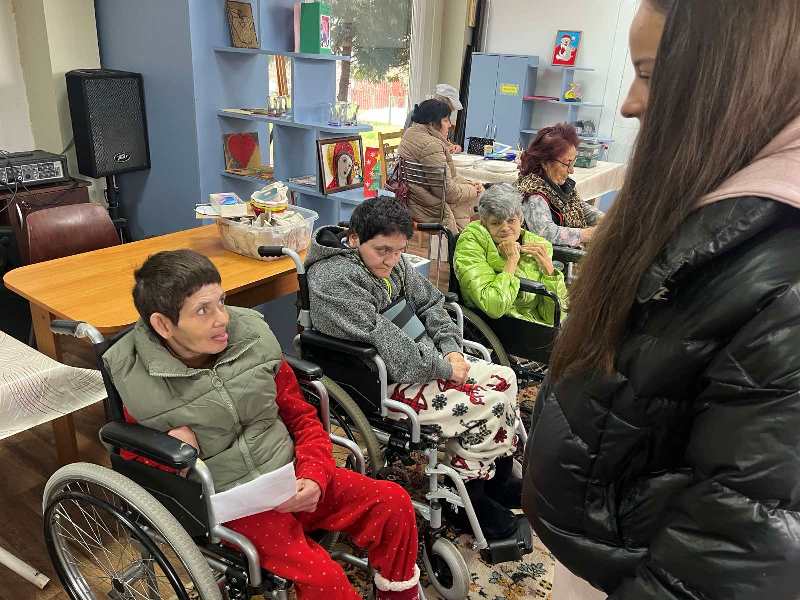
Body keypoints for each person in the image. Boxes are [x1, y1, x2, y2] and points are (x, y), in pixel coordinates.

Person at [523, 1, 800, 599]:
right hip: (616, 549)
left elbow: (736, 544)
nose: (628, 103)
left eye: (648, 73)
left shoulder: (780, 271)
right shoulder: (719, 214)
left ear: (728, 73)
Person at [102, 250, 421, 600]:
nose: (222, 319)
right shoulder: (139, 384)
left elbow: (302, 416)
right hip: (235, 506)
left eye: (221, 302)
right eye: (203, 310)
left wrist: (315, 474)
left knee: (393, 502)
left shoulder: (253, 342)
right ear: (164, 325)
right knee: (325, 580)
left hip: (290, 473)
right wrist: (174, 451)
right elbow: (134, 464)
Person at [305, 197, 524, 540]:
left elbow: (432, 302)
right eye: (383, 251)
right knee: (489, 406)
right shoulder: (334, 279)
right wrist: (444, 368)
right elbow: (386, 343)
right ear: (353, 238)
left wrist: (451, 350)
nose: (392, 260)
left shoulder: (391, 261)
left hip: (425, 360)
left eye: (399, 251)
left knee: (505, 378)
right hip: (380, 379)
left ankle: (495, 478)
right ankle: (466, 500)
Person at [453, 183, 567, 325]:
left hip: (535, 325)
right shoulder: (471, 242)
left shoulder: (539, 246)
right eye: (496, 223)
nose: (505, 228)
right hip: (499, 324)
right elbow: (493, 306)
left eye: (511, 220)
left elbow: (553, 318)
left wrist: (550, 273)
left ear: (520, 219)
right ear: (484, 224)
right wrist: (512, 261)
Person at [399, 99, 483, 232]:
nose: (450, 125)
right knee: (486, 201)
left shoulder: (410, 133)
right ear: (432, 122)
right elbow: (449, 193)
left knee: (478, 194)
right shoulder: (431, 145)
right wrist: (474, 190)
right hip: (430, 209)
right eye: (446, 120)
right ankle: (462, 242)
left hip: (414, 200)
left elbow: (448, 179)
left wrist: (470, 184)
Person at [515, 123, 603, 248]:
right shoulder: (533, 193)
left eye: (573, 163)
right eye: (566, 164)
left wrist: (605, 220)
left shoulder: (556, 183)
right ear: (545, 162)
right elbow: (545, 232)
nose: (571, 170)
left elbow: (579, 206)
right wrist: (585, 234)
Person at [404, 83, 464, 154]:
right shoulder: (418, 115)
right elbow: (415, 143)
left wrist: (455, 147)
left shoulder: (441, 120)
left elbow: (446, 141)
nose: (449, 124)